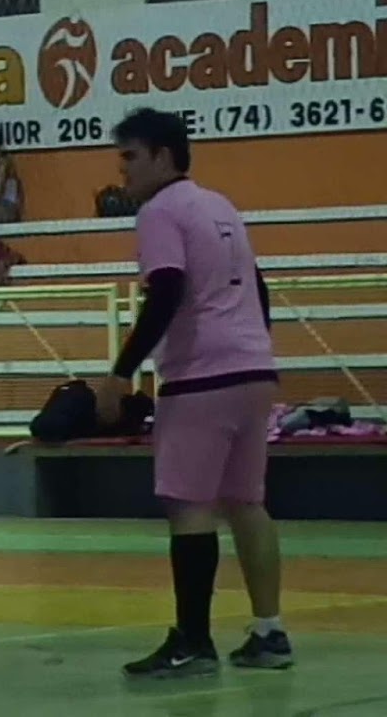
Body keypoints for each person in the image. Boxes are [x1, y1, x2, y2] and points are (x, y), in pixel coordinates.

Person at [96, 108, 289, 678]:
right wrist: (253, 347)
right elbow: (258, 288)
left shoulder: (160, 211)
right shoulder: (220, 205)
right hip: (253, 369)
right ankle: (270, 632)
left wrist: (120, 372)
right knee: (247, 503)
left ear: (162, 155)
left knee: (189, 505)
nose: (123, 170)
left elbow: (166, 290)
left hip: (201, 376)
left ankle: (193, 642)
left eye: (131, 156)